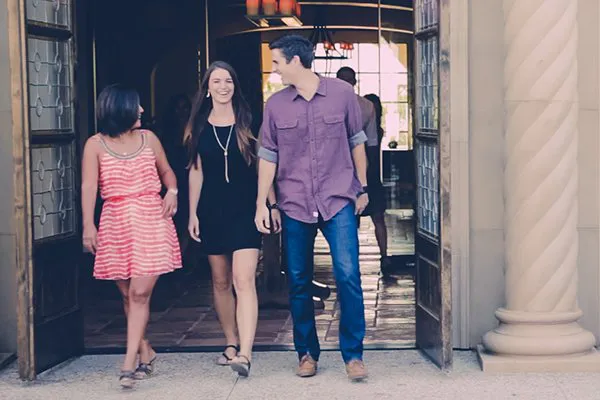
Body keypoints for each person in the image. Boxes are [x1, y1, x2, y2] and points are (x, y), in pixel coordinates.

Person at [255, 35, 369, 381]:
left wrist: (362, 188)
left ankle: (353, 355)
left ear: (295, 61)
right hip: (294, 202)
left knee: (348, 275)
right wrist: (264, 202)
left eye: (276, 62)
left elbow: (357, 143)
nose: (273, 69)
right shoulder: (275, 106)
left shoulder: (341, 95)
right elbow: (268, 158)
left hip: (338, 198)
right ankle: (306, 353)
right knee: (299, 281)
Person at [81, 84, 182, 388]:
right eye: (136, 106)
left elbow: (167, 172)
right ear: (119, 109)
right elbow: (89, 187)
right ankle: (145, 350)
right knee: (127, 294)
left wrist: (173, 191)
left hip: (151, 218)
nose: (141, 111)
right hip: (115, 221)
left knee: (139, 293)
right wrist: (88, 225)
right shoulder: (95, 145)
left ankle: (128, 364)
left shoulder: (149, 139)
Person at [186, 61, 279, 377]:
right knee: (220, 280)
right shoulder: (198, 125)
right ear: (207, 87)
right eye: (217, 81)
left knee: (244, 279)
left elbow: (264, 165)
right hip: (212, 210)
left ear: (235, 86)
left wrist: (269, 204)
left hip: (245, 209)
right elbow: (195, 170)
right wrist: (192, 213)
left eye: (228, 81)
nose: (223, 86)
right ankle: (230, 342)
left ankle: (246, 353)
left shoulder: (249, 121)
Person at [337, 66, 392, 275]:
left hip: (341, 169)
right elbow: (372, 144)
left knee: (349, 221)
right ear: (355, 82)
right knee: (377, 216)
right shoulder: (367, 106)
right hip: (365, 166)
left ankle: (349, 263)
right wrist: (373, 175)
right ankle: (384, 256)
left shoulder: (330, 105)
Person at [160, 94, 193, 265]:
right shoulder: (165, 135)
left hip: (191, 181)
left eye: (185, 108)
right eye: (177, 108)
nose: (181, 112)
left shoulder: (195, 131)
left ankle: (184, 259)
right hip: (171, 182)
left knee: (189, 218)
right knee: (175, 222)